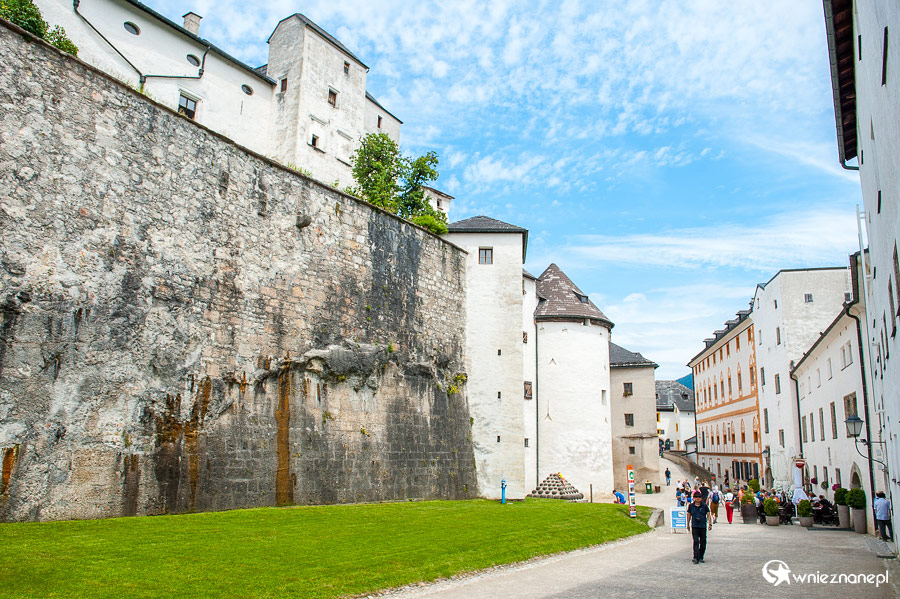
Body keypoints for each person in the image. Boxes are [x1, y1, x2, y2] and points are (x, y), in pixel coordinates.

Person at [687, 490, 712, 564]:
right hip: (695, 526)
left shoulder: (704, 506)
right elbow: (689, 515)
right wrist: (687, 524)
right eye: (696, 497)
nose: (698, 498)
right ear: (694, 498)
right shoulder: (691, 506)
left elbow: (708, 514)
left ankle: (701, 556)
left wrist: (710, 524)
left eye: (699, 497)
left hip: (702, 526)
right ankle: (695, 557)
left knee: (703, 542)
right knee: (696, 541)